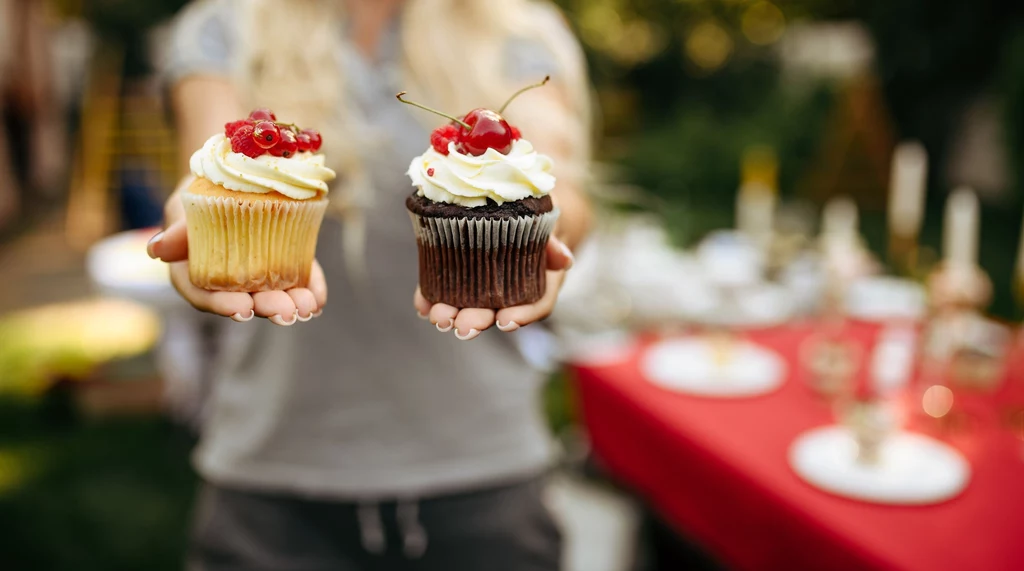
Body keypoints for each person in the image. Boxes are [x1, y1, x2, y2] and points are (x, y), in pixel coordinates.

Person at [148, 0, 593, 569]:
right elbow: (214, 165)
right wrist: (199, 224)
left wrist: (546, 238)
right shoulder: (225, 24)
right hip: (271, 481)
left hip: (485, 474)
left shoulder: (515, 25)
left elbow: (561, 188)